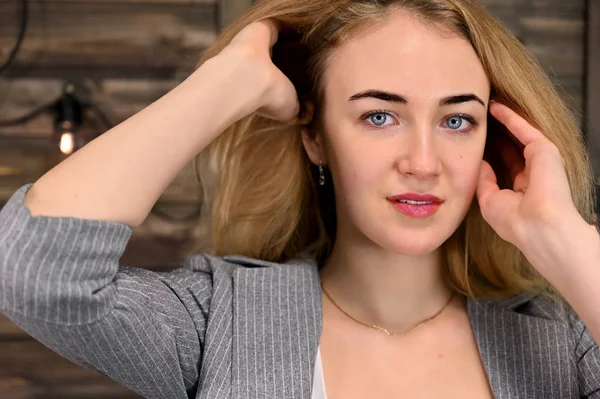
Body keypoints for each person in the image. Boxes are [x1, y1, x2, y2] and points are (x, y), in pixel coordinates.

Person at [1, 0, 599, 398]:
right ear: (314, 136)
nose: (422, 163)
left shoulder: (564, 340)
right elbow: (33, 270)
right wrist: (228, 81)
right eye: (380, 115)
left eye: (457, 121)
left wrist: (565, 239)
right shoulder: (218, 323)